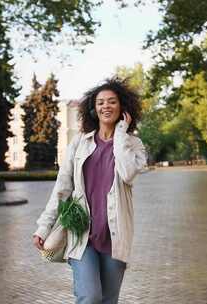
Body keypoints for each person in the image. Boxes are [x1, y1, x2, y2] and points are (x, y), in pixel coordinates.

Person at [33, 77, 147, 304]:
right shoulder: (80, 143)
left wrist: (121, 134)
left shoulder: (133, 144)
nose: (106, 106)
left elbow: (127, 173)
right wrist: (44, 226)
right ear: (93, 109)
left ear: (122, 106)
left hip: (115, 236)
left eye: (112, 101)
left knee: (108, 300)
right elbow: (62, 187)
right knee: (90, 296)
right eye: (100, 102)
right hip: (81, 232)